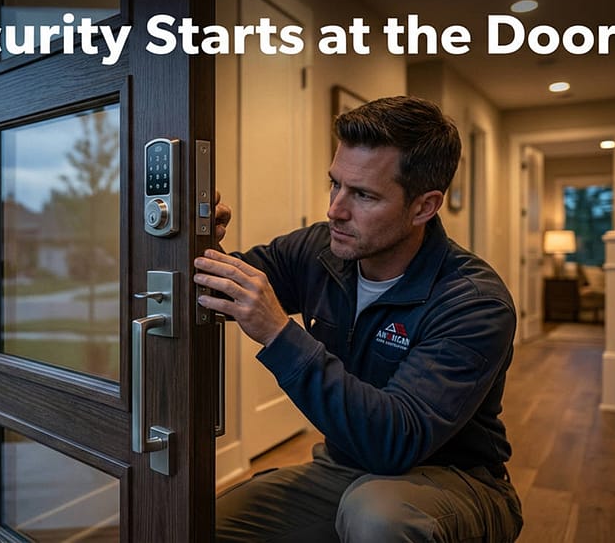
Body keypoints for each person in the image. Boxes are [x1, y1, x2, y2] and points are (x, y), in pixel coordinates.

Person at [194, 96, 523, 542]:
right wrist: (194, 242)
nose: (335, 209)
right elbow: (216, 288)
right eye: (335, 185)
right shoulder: (319, 250)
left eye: (363, 195)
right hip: (344, 469)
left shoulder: (474, 302)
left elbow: (395, 442)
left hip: (455, 480)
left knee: (375, 515)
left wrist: (276, 331)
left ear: (424, 207)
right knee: (200, 523)